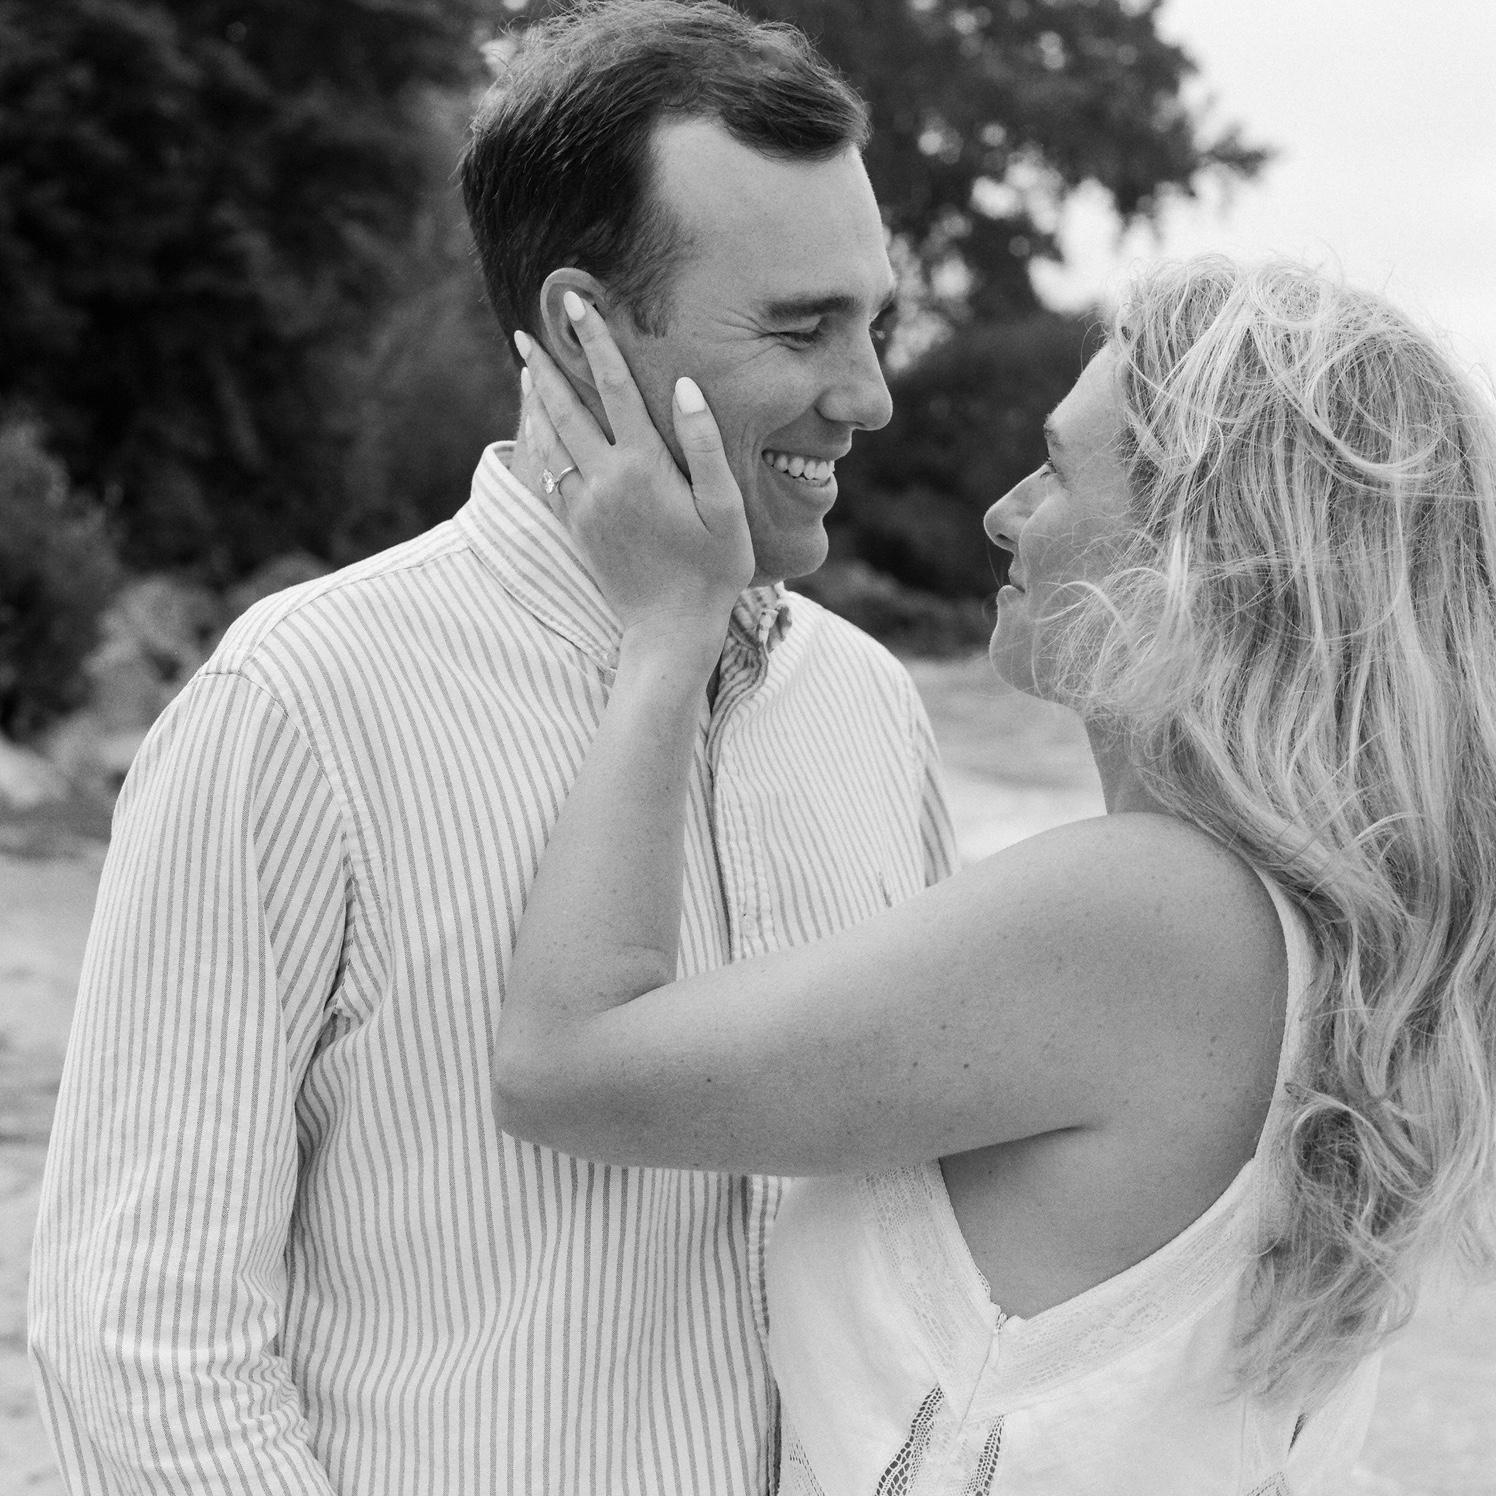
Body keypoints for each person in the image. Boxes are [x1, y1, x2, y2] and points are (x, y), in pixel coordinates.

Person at [28, 3, 955, 1491]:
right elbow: (144, 1339)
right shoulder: (301, 704)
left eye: (875, 323)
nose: (870, 395)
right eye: (801, 329)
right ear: (584, 330)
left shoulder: (867, 708)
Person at [498, 254, 1496, 1494]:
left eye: (1057, 469)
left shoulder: (1147, 913)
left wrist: (666, 628)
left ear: (1198, 558)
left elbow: (563, 1066)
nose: (1003, 513)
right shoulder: (1325, 945)